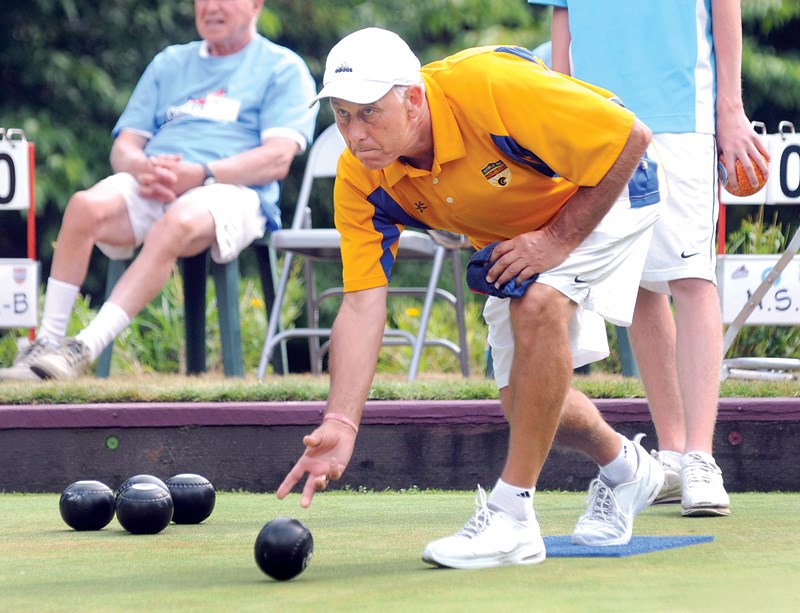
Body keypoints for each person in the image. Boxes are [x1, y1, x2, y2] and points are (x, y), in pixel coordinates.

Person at [276, 27, 667, 570]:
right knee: (520, 399)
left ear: (412, 99)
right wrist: (341, 424)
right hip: (524, 226)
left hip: (611, 185)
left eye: (368, 112)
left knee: (539, 302)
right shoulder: (361, 180)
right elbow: (363, 304)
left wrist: (556, 241)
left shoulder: (491, 87)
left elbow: (632, 138)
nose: (354, 133)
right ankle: (628, 468)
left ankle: (513, 518)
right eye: (342, 115)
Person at [529, 0, 770, 517]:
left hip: (683, 114)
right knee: (638, 286)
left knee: (689, 276)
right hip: (600, 120)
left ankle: (703, 458)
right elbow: (562, 23)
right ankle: (676, 454)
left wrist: (730, 107)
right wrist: (563, 127)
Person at [0, 0, 317, 381]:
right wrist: (142, 167)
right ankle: (47, 344)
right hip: (157, 180)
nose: (211, 7)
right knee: (83, 205)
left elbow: (277, 159)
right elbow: (125, 146)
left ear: (254, 5)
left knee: (176, 222)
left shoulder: (283, 67)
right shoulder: (170, 62)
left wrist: (200, 174)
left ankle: (83, 349)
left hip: (233, 188)